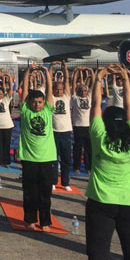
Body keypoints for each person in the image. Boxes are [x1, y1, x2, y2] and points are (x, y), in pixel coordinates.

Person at [86, 65, 130, 260]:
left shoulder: (99, 136)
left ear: (106, 123)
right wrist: (126, 80)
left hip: (101, 202)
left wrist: (99, 79)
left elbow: (95, 105)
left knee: (98, 255)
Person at [19, 64, 56, 231]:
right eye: (34, 102)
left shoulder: (48, 110)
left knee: (45, 193)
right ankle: (30, 220)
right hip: (29, 158)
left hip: (47, 158)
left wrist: (47, 73)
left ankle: (45, 221)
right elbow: (25, 91)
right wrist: (27, 72)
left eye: (40, 102)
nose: (37, 105)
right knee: (30, 192)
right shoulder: (26, 111)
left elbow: (49, 91)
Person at [50, 62, 73, 192]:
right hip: (54, 132)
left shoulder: (66, 96)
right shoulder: (51, 98)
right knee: (53, 159)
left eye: (61, 89)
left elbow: (67, 81)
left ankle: (66, 182)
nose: (59, 91)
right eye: (57, 89)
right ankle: (53, 181)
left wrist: (64, 68)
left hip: (66, 132)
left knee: (66, 159)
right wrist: (52, 68)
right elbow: (49, 82)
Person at [72, 68, 93, 173]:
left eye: (85, 90)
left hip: (88, 126)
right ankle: (76, 167)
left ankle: (88, 167)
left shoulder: (89, 97)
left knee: (89, 148)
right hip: (78, 126)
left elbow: (93, 84)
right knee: (78, 148)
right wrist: (76, 72)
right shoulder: (75, 98)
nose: (83, 92)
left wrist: (91, 72)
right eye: (81, 90)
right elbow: (72, 83)